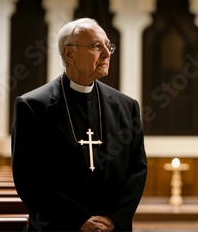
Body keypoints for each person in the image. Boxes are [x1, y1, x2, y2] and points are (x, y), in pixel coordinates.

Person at [11, 18, 147, 231]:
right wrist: (76, 220)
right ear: (68, 53)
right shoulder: (33, 106)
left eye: (108, 45)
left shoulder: (126, 107)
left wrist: (114, 218)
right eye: (96, 46)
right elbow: (27, 177)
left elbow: (137, 169)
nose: (107, 53)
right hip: (58, 226)